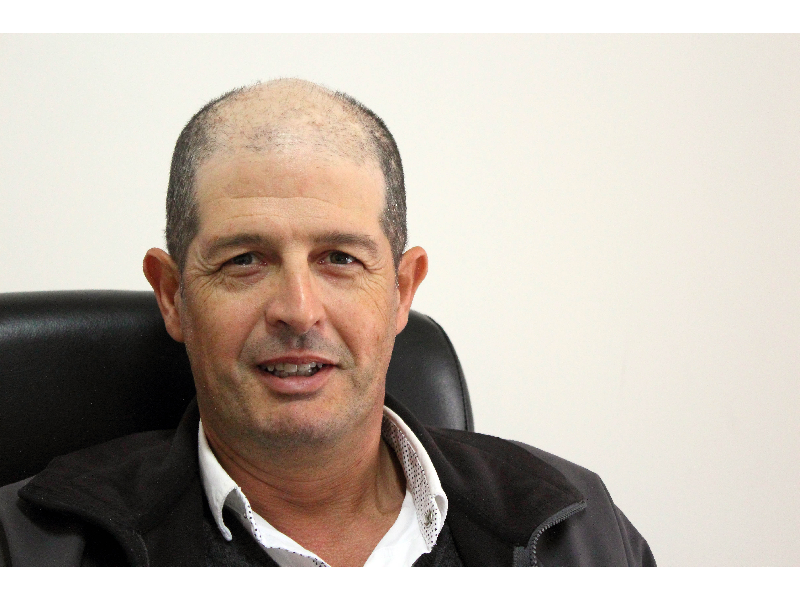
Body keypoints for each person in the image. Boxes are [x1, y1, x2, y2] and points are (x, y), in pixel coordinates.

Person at [0, 79, 655, 566]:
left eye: (340, 258)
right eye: (244, 260)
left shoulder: (578, 532)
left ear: (401, 290)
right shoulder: (27, 550)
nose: (298, 309)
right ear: (173, 296)